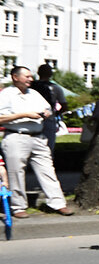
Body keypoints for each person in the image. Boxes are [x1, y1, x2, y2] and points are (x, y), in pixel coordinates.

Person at [0, 66, 72, 218]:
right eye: (27, 76)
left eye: (31, 76)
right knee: (16, 172)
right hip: (16, 136)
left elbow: (48, 109)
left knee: (47, 170)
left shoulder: (34, 93)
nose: (31, 79)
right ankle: (18, 206)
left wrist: (46, 113)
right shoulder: (7, 94)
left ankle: (58, 203)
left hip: (38, 137)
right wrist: (25, 114)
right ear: (15, 77)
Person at [30, 63, 67, 154]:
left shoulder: (31, 87)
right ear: (51, 74)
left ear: (38, 73)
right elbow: (64, 105)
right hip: (49, 119)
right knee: (48, 147)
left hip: (31, 118)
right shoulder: (55, 88)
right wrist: (57, 113)